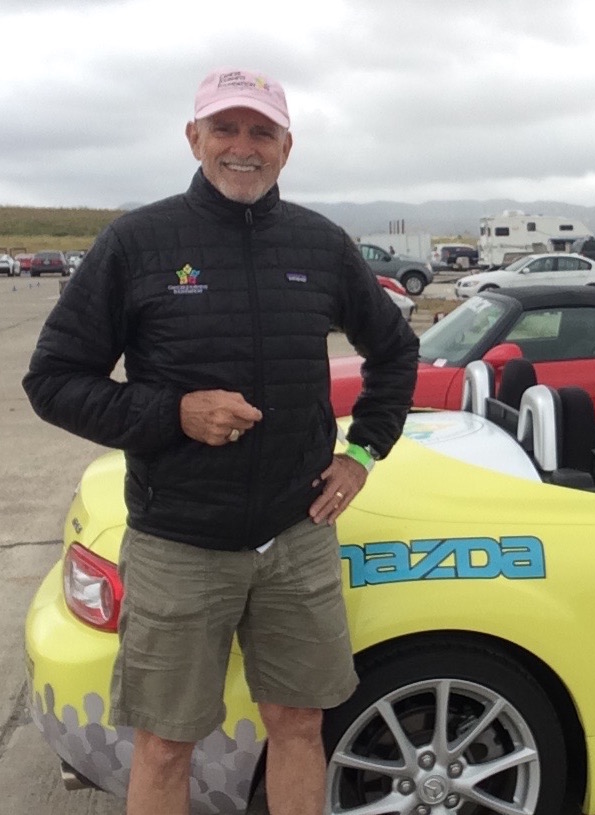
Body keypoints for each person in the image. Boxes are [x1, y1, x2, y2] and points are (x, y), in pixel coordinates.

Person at [23, 68, 419, 815]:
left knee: (300, 725)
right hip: (179, 543)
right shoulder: (138, 241)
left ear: (286, 146)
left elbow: (396, 352)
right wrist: (173, 413)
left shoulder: (321, 244)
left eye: (261, 131)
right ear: (194, 137)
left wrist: (362, 453)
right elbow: (54, 380)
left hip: (297, 537)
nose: (244, 147)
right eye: (226, 128)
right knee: (167, 742)